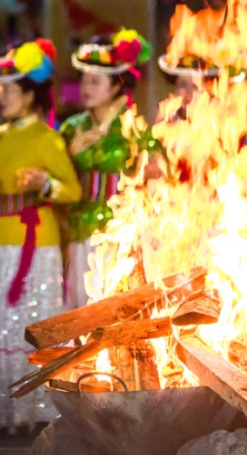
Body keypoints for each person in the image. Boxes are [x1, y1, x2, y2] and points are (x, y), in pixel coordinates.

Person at [0, 38, 81, 433]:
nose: (2, 97)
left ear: (30, 95)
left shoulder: (48, 139)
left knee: (33, 321)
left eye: (10, 90)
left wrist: (44, 182)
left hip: (36, 241)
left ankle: (37, 410)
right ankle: (4, 411)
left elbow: (73, 190)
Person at [61, 29, 160, 308]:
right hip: (80, 229)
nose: (86, 87)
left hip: (120, 233)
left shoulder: (133, 128)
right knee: (79, 306)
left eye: (95, 81)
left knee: (112, 309)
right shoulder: (72, 127)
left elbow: (154, 179)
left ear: (116, 86)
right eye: (84, 79)